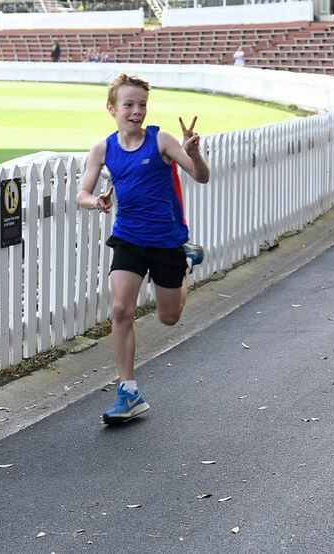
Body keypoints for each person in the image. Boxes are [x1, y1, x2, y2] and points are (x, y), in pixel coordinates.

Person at [76, 73, 211, 424]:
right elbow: (82, 194)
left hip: (166, 240)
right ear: (112, 108)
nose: (137, 111)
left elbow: (201, 176)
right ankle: (129, 391)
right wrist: (97, 201)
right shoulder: (103, 149)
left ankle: (185, 261)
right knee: (121, 310)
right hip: (129, 238)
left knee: (169, 318)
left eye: (142, 105)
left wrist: (194, 153)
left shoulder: (161, 140)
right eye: (129, 105)